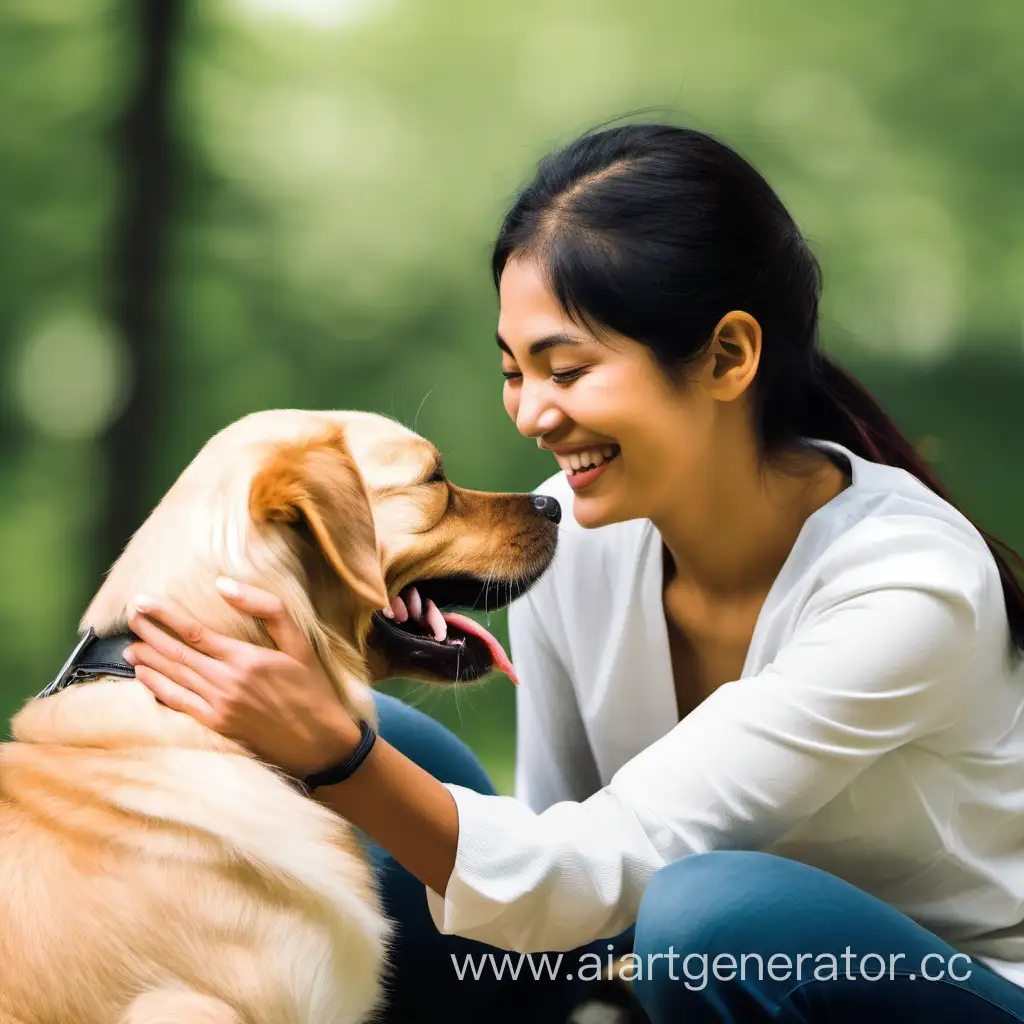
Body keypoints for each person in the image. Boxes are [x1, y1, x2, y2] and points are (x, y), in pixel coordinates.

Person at [120, 124, 1024, 1023]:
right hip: (643, 957)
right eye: (514, 372)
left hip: (943, 987)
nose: (532, 415)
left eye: (567, 369)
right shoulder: (577, 532)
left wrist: (337, 758)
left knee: (710, 921)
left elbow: (614, 863)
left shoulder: (908, 585)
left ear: (728, 357)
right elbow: (562, 863)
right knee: (376, 735)